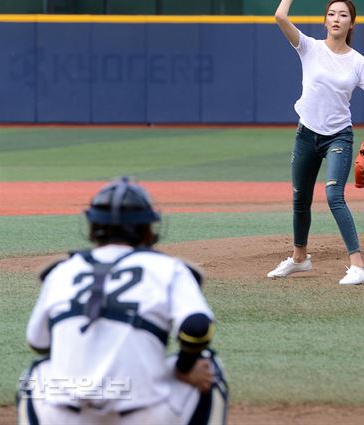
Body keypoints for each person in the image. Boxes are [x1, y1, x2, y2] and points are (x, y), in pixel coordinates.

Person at [17, 177, 228, 425]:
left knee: (35, 374)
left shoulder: (62, 270)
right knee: (209, 365)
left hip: (63, 414)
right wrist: (184, 367)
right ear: (148, 228)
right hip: (146, 413)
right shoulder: (168, 268)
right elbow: (196, 325)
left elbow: (37, 343)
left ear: (92, 227)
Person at [267, 0, 364, 285]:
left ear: (351, 24)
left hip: (338, 136)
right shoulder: (309, 47)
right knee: (299, 198)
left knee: (334, 194)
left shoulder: (359, 62)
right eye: (331, 13)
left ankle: (359, 266)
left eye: (343, 14)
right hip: (306, 134)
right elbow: (280, 17)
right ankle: (299, 258)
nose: (336, 18)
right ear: (325, 21)